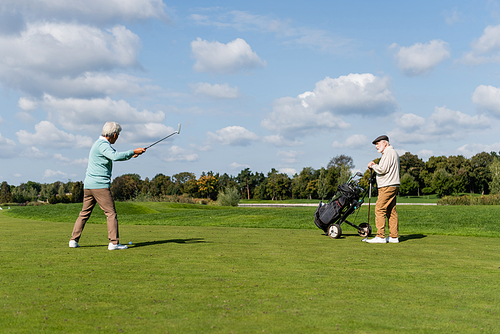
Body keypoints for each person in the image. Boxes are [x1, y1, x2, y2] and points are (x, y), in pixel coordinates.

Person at [69, 122, 145, 250]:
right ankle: (114, 243)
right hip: (99, 186)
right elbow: (114, 156)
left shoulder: (99, 144)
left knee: (84, 213)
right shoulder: (103, 145)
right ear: (114, 135)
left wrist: (131, 155)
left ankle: (73, 240)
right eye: (118, 135)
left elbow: (114, 156)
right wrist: (132, 150)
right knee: (111, 213)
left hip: (89, 186)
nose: (118, 137)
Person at [364, 135, 400, 244]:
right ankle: (394, 237)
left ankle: (380, 236)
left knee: (379, 209)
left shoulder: (388, 152)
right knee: (391, 210)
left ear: (385, 143)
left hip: (387, 185)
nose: (376, 147)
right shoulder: (391, 152)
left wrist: (373, 166)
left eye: (377, 144)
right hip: (393, 184)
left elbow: (383, 169)